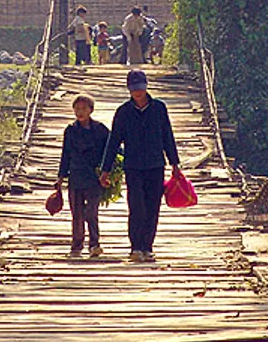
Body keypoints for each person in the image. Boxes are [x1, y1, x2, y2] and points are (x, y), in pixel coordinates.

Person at [100, 69, 179, 263]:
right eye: (134, 89)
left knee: (153, 206)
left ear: (146, 87)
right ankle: (136, 246)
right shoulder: (123, 112)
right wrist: (106, 169)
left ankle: (147, 246)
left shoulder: (159, 108)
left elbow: (167, 135)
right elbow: (114, 141)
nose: (138, 93)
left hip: (155, 164)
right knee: (136, 206)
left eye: (141, 88)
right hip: (133, 165)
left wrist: (174, 163)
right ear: (129, 89)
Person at [56, 94, 109, 257]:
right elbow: (66, 154)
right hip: (76, 176)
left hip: (94, 177)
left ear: (91, 110)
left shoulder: (100, 130)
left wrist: (109, 172)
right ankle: (76, 245)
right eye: (77, 109)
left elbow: (111, 150)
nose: (80, 112)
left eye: (84, 109)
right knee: (77, 212)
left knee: (91, 212)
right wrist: (61, 176)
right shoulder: (70, 131)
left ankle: (94, 243)